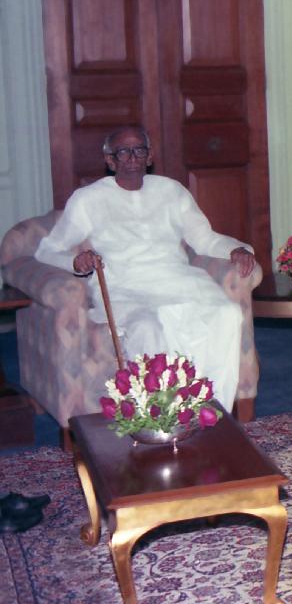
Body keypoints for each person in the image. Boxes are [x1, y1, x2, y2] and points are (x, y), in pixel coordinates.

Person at [34, 126, 256, 408]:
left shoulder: (171, 191)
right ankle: (161, 414)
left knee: (227, 313)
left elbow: (203, 239)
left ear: (149, 156)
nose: (132, 157)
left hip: (178, 280)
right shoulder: (88, 199)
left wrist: (235, 249)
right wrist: (75, 262)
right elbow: (47, 250)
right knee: (148, 328)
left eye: (139, 150)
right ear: (110, 160)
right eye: (123, 152)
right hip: (125, 287)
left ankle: (212, 407)